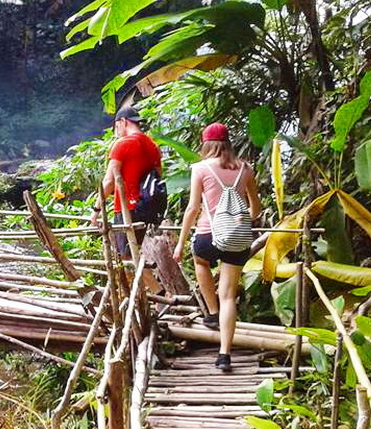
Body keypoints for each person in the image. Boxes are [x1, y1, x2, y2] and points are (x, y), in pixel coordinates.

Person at [173, 123, 262, 370]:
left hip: (207, 236)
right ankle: (224, 354)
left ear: (206, 144)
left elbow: (192, 209)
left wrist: (180, 243)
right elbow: (256, 209)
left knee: (200, 261)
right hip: (237, 239)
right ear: (228, 143)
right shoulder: (246, 168)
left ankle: (211, 313)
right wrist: (241, 219)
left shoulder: (200, 169)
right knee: (229, 296)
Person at [89, 106, 162, 258]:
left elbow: (109, 181)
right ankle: (144, 282)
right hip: (146, 207)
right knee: (134, 255)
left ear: (123, 122)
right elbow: (158, 176)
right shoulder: (153, 146)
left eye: (117, 126)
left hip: (126, 208)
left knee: (127, 258)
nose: (117, 131)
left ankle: (147, 283)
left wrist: (96, 211)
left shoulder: (123, 144)